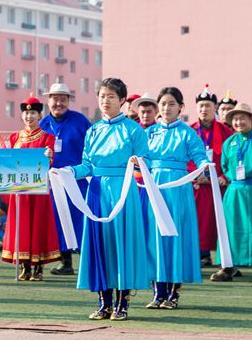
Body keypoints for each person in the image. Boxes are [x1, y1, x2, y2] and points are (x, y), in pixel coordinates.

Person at [68, 78, 150, 321]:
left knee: (121, 243)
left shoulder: (133, 130)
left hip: (123, 190)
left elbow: (145, 161)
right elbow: (87, 166)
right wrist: (68, 172)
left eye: (111, 97)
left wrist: (138, 163)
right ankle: (103, 303)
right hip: (96, 191)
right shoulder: (93, 130)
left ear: (123, 100)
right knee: (100, 245)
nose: (106, 101)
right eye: (102, 96)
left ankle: (122, 303)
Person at [143, 87, 209, 309]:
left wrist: (203, 168)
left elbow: (200, 157)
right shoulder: (149, 133)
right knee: (154, 238)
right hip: (154, 188)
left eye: (171, 104)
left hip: (178, 189)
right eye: (162, 104)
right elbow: (139, 156)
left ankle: (172, 294)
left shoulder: (188, 133)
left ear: (180, 108)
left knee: (175, 237)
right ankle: (157, 292)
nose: (166, 108)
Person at [1, 95, 61, 281]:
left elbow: (50, 162)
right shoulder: (15, 137)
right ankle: (25, 266)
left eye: (33, 113)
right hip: (19, 191)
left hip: (38, 190)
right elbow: (8, 162)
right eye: (26, 113)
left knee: (38, 226)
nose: (29, 117)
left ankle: (38, 268)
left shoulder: (47, 138)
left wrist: (49, 156)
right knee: (21, 227)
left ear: (39, 115)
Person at [40, 82, 92, 276]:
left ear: (68, 101)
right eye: (55, 99)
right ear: (49, 101)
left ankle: (88, 260)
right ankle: (65, 261)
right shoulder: (43, 124)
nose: (59, 103)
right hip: (53, 181)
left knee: (82, 218)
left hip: (77, 179)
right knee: (58, 219)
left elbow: (92, 147)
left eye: (63, 99)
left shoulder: (81, 121)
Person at [189, 85, 234, 266]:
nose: (204, 109)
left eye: (208, 105)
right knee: (198, 219)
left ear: (214, 108)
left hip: (218, 184)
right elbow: (186, 156)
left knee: (218, 219)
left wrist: (223, 176)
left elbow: (230, 156)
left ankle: (224, 256)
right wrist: (195, 175)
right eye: (201, 106)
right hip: (197, 184)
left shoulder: (225, 131)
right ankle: (202, 254)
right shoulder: (190, 130)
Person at [212, 103, 252, 280]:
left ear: (251, 119)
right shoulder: (229, 142)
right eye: (235, 119)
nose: (238, 122)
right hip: (234, 189)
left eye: (242, 118)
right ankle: (228, 266)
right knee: (229, 228)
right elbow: (224, 165)